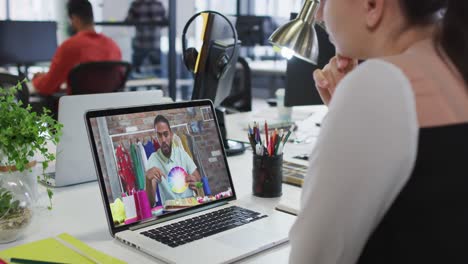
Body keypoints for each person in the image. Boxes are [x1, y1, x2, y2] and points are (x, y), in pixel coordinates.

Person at [289, 0, 468, 263]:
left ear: (372, 5)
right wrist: (345, 113)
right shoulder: (454, 68)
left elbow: (312, 256)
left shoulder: (380, 84)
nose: (318, 14)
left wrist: (352, 105)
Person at [32, 0, 122, 95]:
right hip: (106, 107)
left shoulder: (70, 46)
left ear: (74, 18)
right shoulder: (113, 46)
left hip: (77, 107)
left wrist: (37, 79)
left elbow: (47, 86)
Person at [145, 115, 201, 207]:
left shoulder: (181, 152)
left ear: (171, 134)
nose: (163, 140)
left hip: (192, 206)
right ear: (156, 137)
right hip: (172, 212)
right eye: (159, 135)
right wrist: (147, 179)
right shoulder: (153, 159)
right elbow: (150, 204)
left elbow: (200, 183)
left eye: (165, 134)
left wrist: (197, 185)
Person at [125, 0, 166, 76]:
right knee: (158, 72)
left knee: (135, 73)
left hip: (140, 44)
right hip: (154, 44)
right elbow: (165, 22)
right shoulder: (158, 4)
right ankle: (159, 86)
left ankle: (134, 87)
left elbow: (128, 22)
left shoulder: (136, 4)